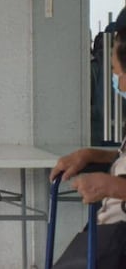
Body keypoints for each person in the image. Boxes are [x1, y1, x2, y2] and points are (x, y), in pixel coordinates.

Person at [51, 27, 126, 266]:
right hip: (110, 233)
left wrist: (112, 186)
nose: (114, 76)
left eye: (115, 69)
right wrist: (93, 155)